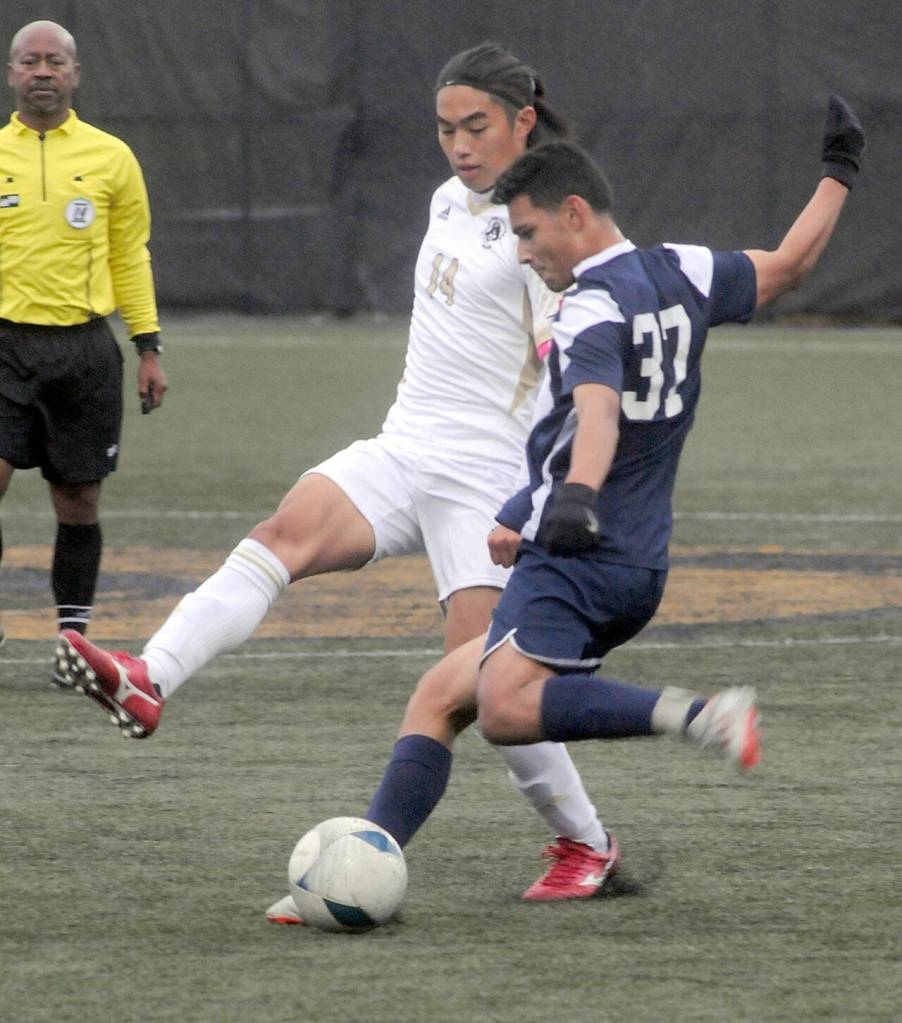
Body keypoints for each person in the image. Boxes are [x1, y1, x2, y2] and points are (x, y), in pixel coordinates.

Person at [56, 43, 620, 910]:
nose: (459, 146)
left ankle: (586, 841)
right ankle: (149, 677)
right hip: (404, 445)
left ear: (523, 121)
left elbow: (570, 375)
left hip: (487, 480)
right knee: (280, 534)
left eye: (476, 127)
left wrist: (543, 496)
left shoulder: (546, 227)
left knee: (486, 684)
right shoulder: (447, 199)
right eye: (445, 129)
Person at [359, 96, 865, 896]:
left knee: (503, 708)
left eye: (529, 233)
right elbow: (791, 264)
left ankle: (697, 717)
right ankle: (368, 859)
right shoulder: (683, 268)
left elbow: (596, 411)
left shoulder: (588, 303)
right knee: (440, 694)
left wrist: (573, 502)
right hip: (637, 558)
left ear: (573, 212)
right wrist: (839, 171)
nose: (524, 253)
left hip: (578, 556)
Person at [0, 20, 166, 671]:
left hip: (85, 352)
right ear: (12, 73)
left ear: (75, 73)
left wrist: (147, 346)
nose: (42, 71)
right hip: (4, 347)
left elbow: (131, 255)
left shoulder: (111, 157)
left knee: (78, 502)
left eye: (54, 61)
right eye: (29, 61)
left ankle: (72, 641)